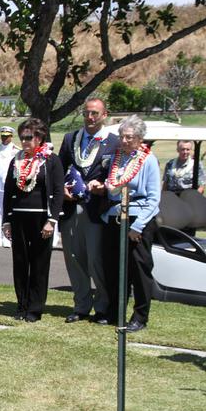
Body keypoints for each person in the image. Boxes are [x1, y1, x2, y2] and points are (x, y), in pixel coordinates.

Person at [57, 98, 118, 324]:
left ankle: (102, 307)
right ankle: (81, 305)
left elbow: (117, 174)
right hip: (71, 208)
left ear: (104, 115)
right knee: (74, 259)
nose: (90, 118)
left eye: (95, 113)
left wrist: (105, 187)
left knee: (96, 260)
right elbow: (59, 169)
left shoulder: (114, 142)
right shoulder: (71, 138)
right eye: (86, 113)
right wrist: (61, 189)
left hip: (96, 210)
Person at [99, 115, 161, 333]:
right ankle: (115, 312)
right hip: (115, 216)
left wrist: (139, 226)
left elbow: (153, 199)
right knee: (114, 268)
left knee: (139, 269)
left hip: (138, 218)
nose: (124, 141)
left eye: (129, 137)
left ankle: (140, 316)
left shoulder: (148, 160)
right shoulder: (117, 157)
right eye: (122, 137)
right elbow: (113, 186)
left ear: (140, 138)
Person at [2, 118, 64, 322]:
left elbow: (57, 192)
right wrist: (6, 221)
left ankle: (34, 309)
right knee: (20, 263)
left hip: (41, 219)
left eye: (29, 137)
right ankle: (21, 305)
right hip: (19, 218)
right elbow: (8, 192)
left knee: (39, 264)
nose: (25, 142)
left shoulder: (51, 160)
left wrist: (52, 220)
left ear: (39, 137)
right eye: (22, 138)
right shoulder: (16, 160)